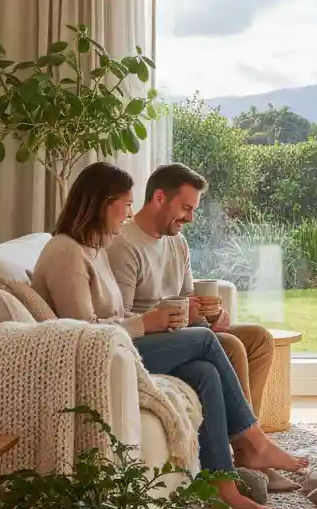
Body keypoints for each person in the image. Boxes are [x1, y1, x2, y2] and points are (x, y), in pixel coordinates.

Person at [31, 161, 305, 509]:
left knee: (206, 371)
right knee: (209, 343)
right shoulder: (66, 252)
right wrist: (149, 322)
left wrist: (196, 315)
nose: (129, 212)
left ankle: (222, 487)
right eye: (125, 204)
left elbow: (116, 317)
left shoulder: (93, 250)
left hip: (124, 344)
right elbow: (86, 331)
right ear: (103, 202)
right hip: (102, 356)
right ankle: (253, 443)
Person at [107, 163, 275, 413]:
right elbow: (120, 318)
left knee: (259, 338)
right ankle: (246, 442)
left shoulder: (178, 241)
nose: (190, 218)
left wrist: (211, 317)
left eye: (193, 209)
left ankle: (249, 429)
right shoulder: (124, 244)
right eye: (186, 208)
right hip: (150, 341)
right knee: (231, 346)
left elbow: (187, 297)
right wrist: (177, 319)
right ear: (160, 197)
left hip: (184, 331)